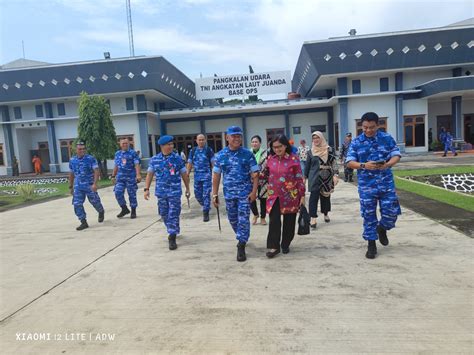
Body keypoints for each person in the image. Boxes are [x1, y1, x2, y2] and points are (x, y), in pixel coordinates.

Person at [346, 112, 402, 259]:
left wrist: (388, 164)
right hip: (366, 186)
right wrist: (364, 165)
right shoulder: (356, 142)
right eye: (365, 127)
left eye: (371, 127)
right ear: (361, 126)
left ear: (378, 125)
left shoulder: (386, 138)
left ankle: (382, 228)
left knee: (392, 212)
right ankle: (371, 244)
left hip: (386, 183)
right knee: (368, 215)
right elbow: (349, 162)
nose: (368, 130)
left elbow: (396, 154)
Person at [212, 126, 259, 262]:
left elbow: (255, 174)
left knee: (243, 218)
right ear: (227, 138)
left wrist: (254, 191)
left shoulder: (247, 154)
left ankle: (241, 244)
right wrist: (214, 194)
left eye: (239, 136)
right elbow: (216, 175)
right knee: (233, 219)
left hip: (245, 193)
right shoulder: (220, 155)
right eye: (234, 136)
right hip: (229, 194)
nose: (237, 138)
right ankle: (242, 235)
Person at [145, 135, 191, 251]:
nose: (171, 146)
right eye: (168, 145)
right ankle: (173, 227)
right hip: (161, 192)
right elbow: (150, 174)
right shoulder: (154, 160)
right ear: (162, 146)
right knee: (164, 213)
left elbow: (184, 174)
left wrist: (187, 188)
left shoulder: (177, 159)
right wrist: (146, 189)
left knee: (173, 213)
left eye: (172, 144)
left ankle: (172, 236)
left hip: (174, 192)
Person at [265, 135, 305, 258]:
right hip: (274, 195)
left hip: (290, 196)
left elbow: (299, 178)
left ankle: (285, 244)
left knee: (289, 222)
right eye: (274, 147)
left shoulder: (294, 159)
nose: (277, 149)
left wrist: (302, 194)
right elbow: (264, 174)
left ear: (285, 146)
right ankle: (274, 246)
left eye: (279, 147)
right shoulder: (270, 159)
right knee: (274, 221)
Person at [304, 131, 338, 229]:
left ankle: (325, 213)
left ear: (321, 138)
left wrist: (335, 174)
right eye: (314, 138)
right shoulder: (310, 152)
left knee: (326, 197)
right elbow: (307, 166)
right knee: (313, 198)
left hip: (327, 177)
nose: (315, 140)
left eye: (317, 138)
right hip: (314, 177)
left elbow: (334, 163)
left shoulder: (329, 150)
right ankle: (313, 218)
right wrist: (304, 177)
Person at [68, 142, 105, 231]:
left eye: (84, 149)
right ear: (76, 150)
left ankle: (101, 211)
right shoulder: (72, 160)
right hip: (78, 186)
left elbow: (96, 171)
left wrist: (95, 184)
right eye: (80, 149)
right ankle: (83, 221)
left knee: (95, 202)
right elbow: (71, 173)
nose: (82, 150)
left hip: (89, 185)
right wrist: (70, 186)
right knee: (77, 204)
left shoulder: (90, 159)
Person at [186, 134, 215, 222]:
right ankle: (206, 205)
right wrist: (187, 174)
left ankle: (205, 212)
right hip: (197, 177)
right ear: (196, 141)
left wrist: (214, 173)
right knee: (197, 195)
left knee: (206, 194)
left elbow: (213, 162)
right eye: (199, 140)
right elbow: (190, 163)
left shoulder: (208, 150)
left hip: (207, 176)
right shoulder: (193, 151)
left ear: (205, 140)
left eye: (203, 140)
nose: (201, 141)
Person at [112, 138, 141, 219]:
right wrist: (113, 176)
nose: (125, 145)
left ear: (129, 144)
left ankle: (133, 210)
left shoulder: (133, 153)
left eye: (126, 143)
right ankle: (124, 209)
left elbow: (137, 164)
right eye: (123, 143)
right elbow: (116, 165)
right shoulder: (117, 153)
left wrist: (138, 175)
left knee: (132, 194)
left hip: (131, 177)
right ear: (120, 144)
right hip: (120, 178)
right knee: (117, 192)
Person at [249, 135, 268, 225]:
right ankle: (255, 215)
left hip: (263, 180)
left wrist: (262, 173)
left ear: (260, 143)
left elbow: (268, 165)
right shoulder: (248, 153)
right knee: (251, 199)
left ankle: (263, 217)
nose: (254, 143)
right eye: (253, 142)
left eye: (256, 142)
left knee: (263, 199)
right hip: (251, 180)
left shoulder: (265, 153)